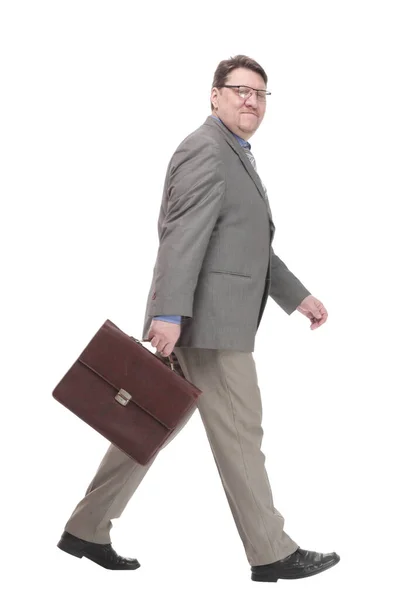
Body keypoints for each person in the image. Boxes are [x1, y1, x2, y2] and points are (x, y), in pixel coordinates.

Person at [57, 54, 340, 582]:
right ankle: (271, 551)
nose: (251, 100)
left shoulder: (235, 154)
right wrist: (167, 313)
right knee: (240, 430)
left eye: (260, 93)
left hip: (202, 320)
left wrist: (296, 296)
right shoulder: (205, 149)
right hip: (206, 326)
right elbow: (181, 236)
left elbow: (247, 246)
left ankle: (86, 528)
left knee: (147, 420)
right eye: (240, 90)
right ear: (215, 95)